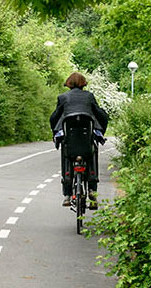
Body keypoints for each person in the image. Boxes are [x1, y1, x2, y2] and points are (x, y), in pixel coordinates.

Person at [50, 72, 109, 209]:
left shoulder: (63, 97)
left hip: (70, 141)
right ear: (84, 83)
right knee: (92, 153)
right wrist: (101, 130)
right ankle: (92, 192)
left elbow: (54, 118)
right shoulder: (89, 96)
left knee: (66, 155)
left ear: (68, 83)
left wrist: (55, 133)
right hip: (86, 139)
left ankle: (67, 194)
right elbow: (100, 114)